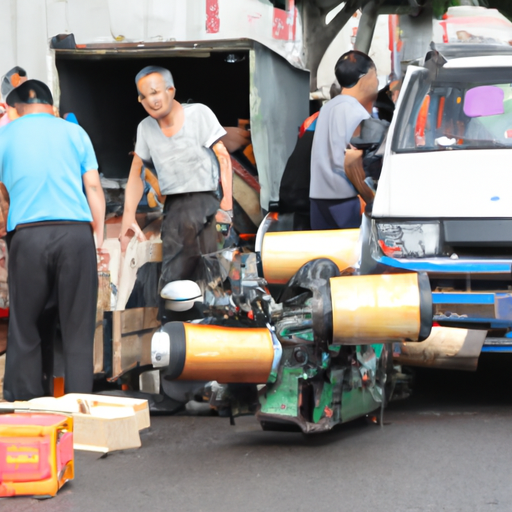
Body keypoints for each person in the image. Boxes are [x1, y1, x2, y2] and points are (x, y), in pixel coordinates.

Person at [0, 79, 105, 401]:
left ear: (13, 108)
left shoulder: (4, 135)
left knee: (25, 325)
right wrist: (96, 238)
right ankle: (80, 406)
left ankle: (27, 403)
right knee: (77, 328)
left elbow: (2, 197)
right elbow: (94, 188)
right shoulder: (75, 132)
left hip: (27, 235)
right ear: (50, 106)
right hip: (75, 234)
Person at [119, 66, 231, 289]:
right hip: (175, 211)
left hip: (208, 205)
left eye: (155, 92)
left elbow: (223, 157)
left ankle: (212, 320)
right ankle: (177, 322)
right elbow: (136, 173)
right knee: (174, 281)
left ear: (171, 90)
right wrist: (128, 215)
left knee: (214, 277)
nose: (151, 100)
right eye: (144, 96)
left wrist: (226, 206)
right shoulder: (145, 128)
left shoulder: (199, 113)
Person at [309, 51, 379, 230]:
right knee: (351, 255)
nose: (377, 82)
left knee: (326, 255)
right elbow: (351, 161)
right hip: (345, 200)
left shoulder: (327, 108)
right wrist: (370, 198)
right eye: (375, 75)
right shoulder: (356, 112)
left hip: (318, 197)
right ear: (364, 78)